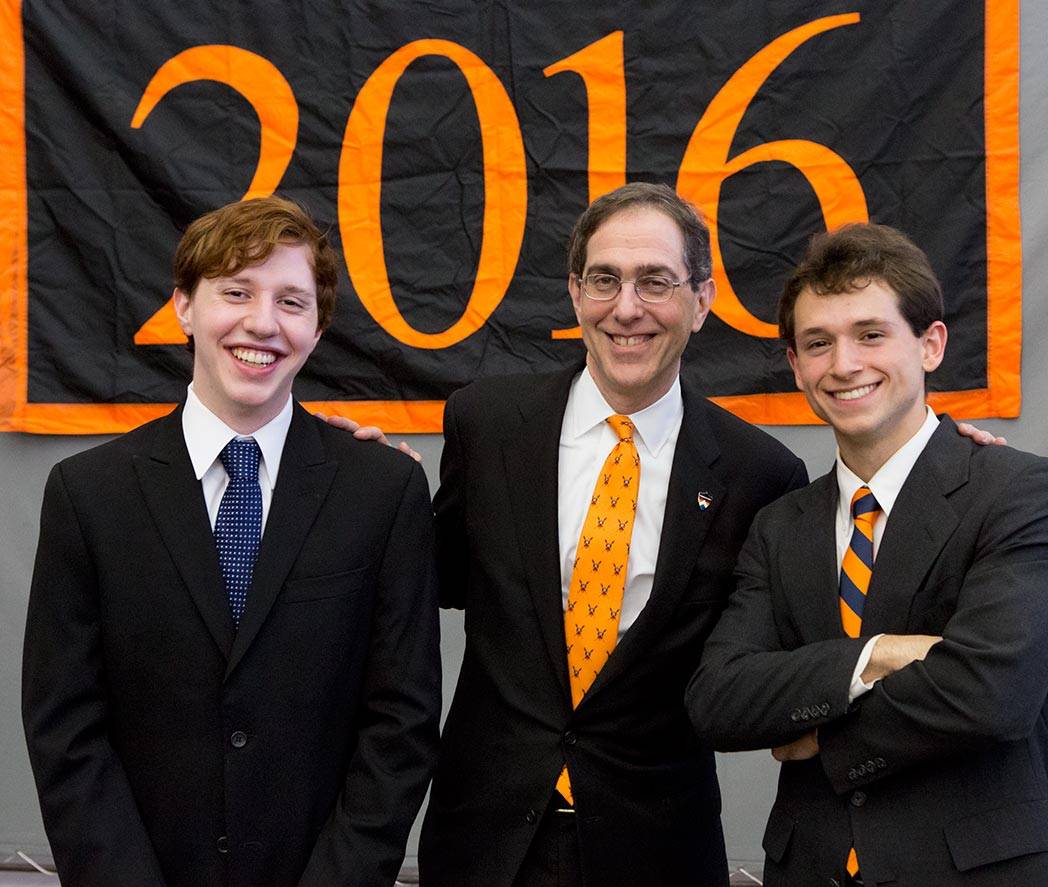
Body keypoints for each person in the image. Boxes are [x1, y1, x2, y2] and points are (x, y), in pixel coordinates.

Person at [21, 196, 440, 887]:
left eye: (291, 301)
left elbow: (401, 723)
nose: (262, 323)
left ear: (317, 326)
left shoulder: (382, 493)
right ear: (183, 305)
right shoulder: (88, 494)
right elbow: (64, 727)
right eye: (236, 291)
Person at [413, 182, 809, 886]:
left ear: (703, 298)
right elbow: (426, 576)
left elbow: (784, 648)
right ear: (574, 292)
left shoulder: (761, 474)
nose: (626, 308)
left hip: (657, 848)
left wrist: (943, 457)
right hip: (486, 843)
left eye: (655, 281)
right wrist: (362, 483)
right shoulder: (488, 425)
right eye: (605, 280)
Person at [686, 222, 1048, 886]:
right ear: (795, 365)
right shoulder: (779, 526)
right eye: (818, 343)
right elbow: (719, 699)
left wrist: (823, 735)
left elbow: (993, 692)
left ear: (930, 345)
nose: (844, 364)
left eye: (871, 334)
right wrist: (881, 654)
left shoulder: (1022, 493)